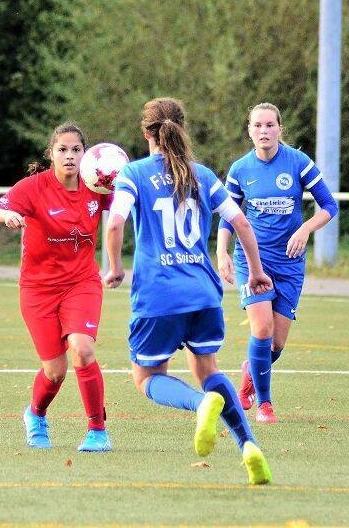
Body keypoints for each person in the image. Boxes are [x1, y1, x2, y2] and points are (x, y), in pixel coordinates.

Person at [103, 97, 273, 485]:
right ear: (183, 127)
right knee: (207, 368)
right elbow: (242, 224)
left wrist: (114, 267)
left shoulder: (133, 173)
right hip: (204, 293)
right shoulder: (203, 175)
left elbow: (114, 224)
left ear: (146, 133)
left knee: (146, 378)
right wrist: (256, 273)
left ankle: (200, 404)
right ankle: (249, 446)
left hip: (159, 296)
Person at [0, 123, 112, 453]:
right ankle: (36, 415)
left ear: (85, 154)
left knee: (82, 349)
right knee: (55, 371)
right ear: (51, 154)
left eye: (76, 150)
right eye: (62, 150)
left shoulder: (97, 186)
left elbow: (125, 212)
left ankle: (97, 430)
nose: (69, 156)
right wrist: (6, 217)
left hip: (82, 282)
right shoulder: (34, 187)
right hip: (38, 289)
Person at [217, 102, 339, 423]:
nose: (264, 131)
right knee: (262, 328)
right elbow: (228, 216)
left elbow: (329, 205)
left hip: (289, 263)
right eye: (257, 125)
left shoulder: (298, 162)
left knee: (276, 342)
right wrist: (222, 252)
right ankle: (265, 404)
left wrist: (305, 228)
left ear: (280, 129)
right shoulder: (240, 169)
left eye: (270, 125)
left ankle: (250, 372)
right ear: (249, 131)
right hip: (251, 260)